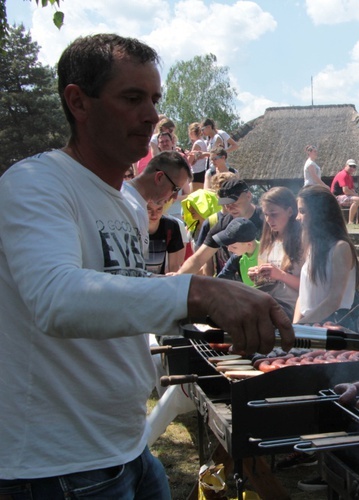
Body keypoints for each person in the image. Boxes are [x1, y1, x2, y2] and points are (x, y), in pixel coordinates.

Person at [0, 33, 292, 498]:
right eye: (132, 98)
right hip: (56, 467)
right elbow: (56, 300)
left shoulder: (130, 206)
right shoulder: (36, 185)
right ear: (78, 101)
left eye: (154, 99)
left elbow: (121, 298)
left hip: (128, 448)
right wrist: (198, 292)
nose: (152, 116)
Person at [294, 186, 359, 329]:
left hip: (334, 325)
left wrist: (301, 326)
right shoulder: (312, 246)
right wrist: (295, 325)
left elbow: (334, 300)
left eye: (302, 211)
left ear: (320, 213)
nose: (297, 217)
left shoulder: (340, 248)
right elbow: (303, 295)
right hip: (311, 324)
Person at [178, 178, 263, 276]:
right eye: (226, 204)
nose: (230, 208)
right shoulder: (223, 224)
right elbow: (198, 259)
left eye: (234, 203)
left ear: (248, 196)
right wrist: (177, 276)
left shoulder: (268, 219)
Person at [248, 187, 303, 319]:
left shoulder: (302, 242)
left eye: (273, 214)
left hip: (291, 309)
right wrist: (258, 275)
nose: (268, 220)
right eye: (266, 214)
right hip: (268, 302)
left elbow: (310, 288)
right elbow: (266, 282)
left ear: (290, 211)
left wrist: (281, 275)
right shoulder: (268, 242)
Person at [215, 218, 260, 285]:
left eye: (234, 247)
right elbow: (220, 280)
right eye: (227, 245)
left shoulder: (268, 254)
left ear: (249, 244)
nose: (229, 249)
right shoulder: (237, 257)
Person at [146, 201, 186, 274]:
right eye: (149, 209)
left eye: (159, 209)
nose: (154, 215)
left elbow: (174, 266)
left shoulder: (171, 226)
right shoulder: (134, 224)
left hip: (159, 280)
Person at [330, 159, 359, 224]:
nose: (352, 168)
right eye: (350, 166)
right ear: (346, 166)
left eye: (354, 166)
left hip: (344, 196)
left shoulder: (349, 176)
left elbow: (351, 189)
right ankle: (350, 221)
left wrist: (356, 195)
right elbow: (345, 190)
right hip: (336, 197)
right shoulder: (343, 174)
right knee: (356, 200)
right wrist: (356, 195)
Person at [187, 122, 208, 190]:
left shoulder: (197, 143)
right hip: (202, 170)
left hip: (197, 172)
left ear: (192, 132)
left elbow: (190, 160)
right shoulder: (204, 142)